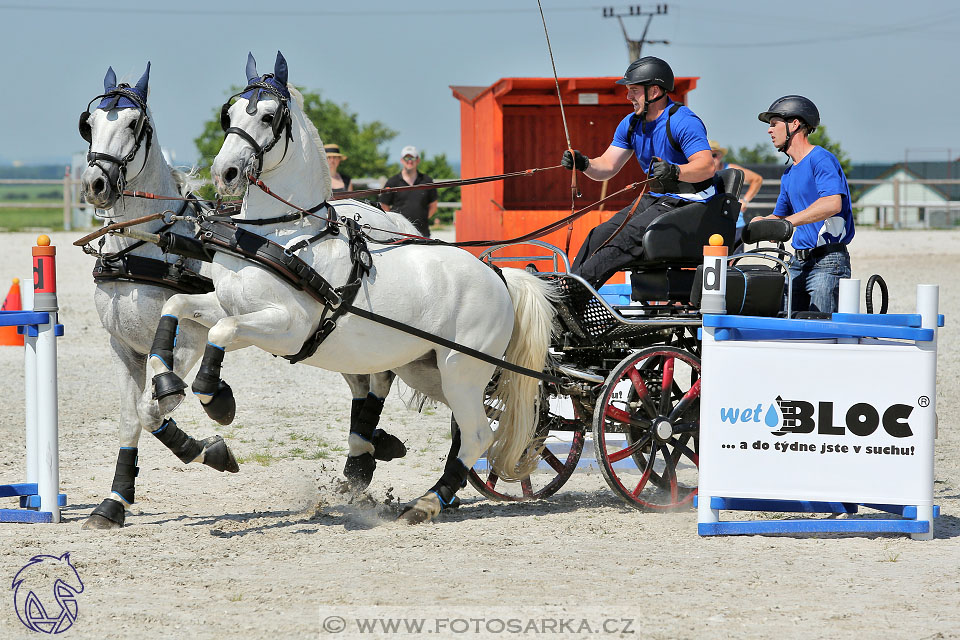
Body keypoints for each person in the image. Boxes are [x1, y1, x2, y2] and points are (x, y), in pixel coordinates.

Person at [561, 56, 716, 288]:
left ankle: (570, 293)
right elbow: (607, 166)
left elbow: (706, 166)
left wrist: (675, 171)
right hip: (656, 199)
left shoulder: (684, 121)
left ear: (654, 91)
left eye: (634, 90)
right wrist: (584, 163)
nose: (628, 96)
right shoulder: (631, 123)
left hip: (689, 202)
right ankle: (568, 289)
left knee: (623, 240)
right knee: (599, 234)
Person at [749, 95, 854, 315]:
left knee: (821, 335)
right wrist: (759, 225)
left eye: (774, 124)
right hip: (798, 261)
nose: (769, 131)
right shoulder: (789, 173)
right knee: (786, 328)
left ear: (794, 124)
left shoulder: (821, 159)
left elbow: (832, 203)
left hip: (828, 261)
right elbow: (780, 219)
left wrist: (786, 223)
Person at [379, 145, 439, 237]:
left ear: (418, 160)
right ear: (402, 160)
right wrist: (395, 222)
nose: (409, 161)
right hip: (399, 234)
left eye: (412, 157)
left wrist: (422, 218)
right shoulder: (392, 182)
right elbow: (384, 205)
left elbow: (433, 206)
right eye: (407, 157)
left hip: (423, 233)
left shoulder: (427, 181)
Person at [709, 140, 764, 237]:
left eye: (714, 155)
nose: (712, 159)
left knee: (736, 252)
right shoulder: (700, 172)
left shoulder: (731, 170)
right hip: (710, 224)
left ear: (720, 155)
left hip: (734, 223)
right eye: (708, 155)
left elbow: (757, 179)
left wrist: (745, 200)